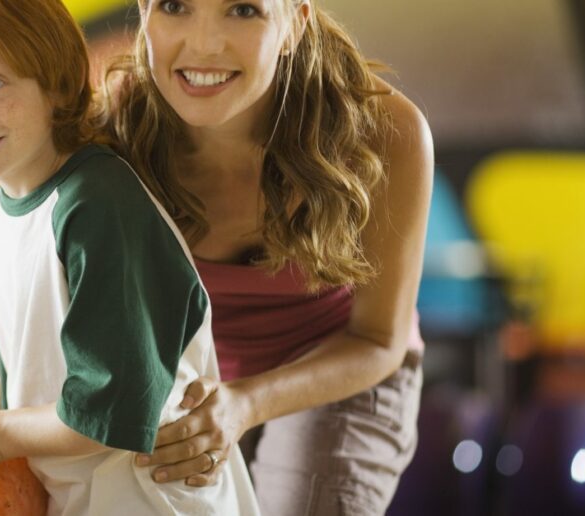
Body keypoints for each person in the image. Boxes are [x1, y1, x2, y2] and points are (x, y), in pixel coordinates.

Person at [0, 0, 260, 514]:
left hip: (155, 501)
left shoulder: (97, 203)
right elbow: (31, 367)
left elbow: (113, 410)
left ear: (56, 85)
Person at [104, 1, 432, 514]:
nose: (205, 43)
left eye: (243, 9)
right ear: (145, 10)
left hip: (339, 366)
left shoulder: (384, 132)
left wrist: (248, 402)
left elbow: (376, 341)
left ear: (294, 22)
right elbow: (62, 301)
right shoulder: (116, 127)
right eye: (174, 6)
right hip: (187, 376)